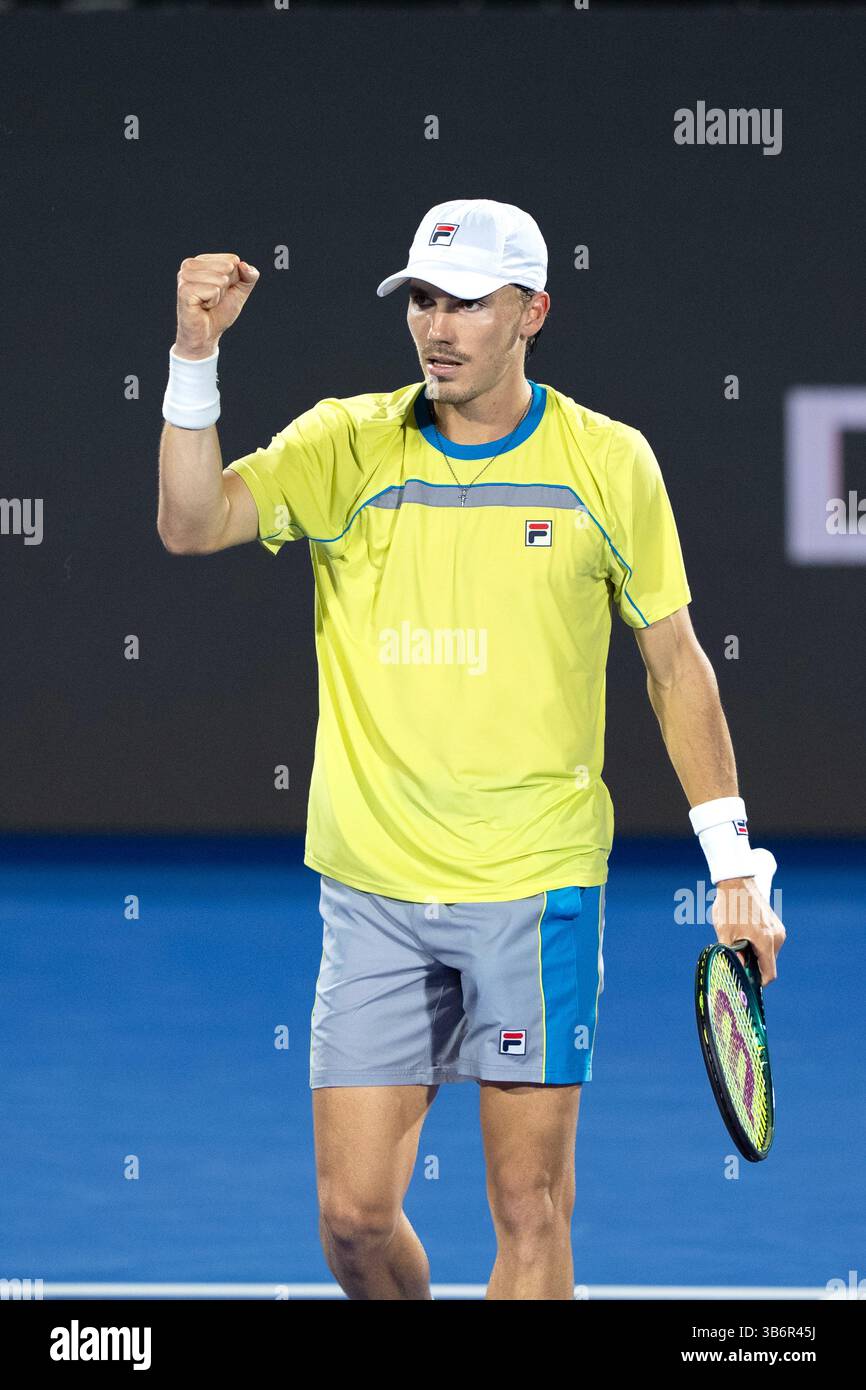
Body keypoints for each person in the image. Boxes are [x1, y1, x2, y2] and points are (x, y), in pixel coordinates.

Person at [157, 198, 785, 1300]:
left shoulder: (607, 463)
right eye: (422, 301)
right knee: (353, 1220)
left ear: (533, 311)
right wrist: (193, 356)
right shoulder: (342, 445)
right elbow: (188, 520)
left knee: (528, 1210)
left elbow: (674, 662)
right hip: (372, 887)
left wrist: (733, 864)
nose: (436, 327)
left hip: (532, 888)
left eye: (468, 304)